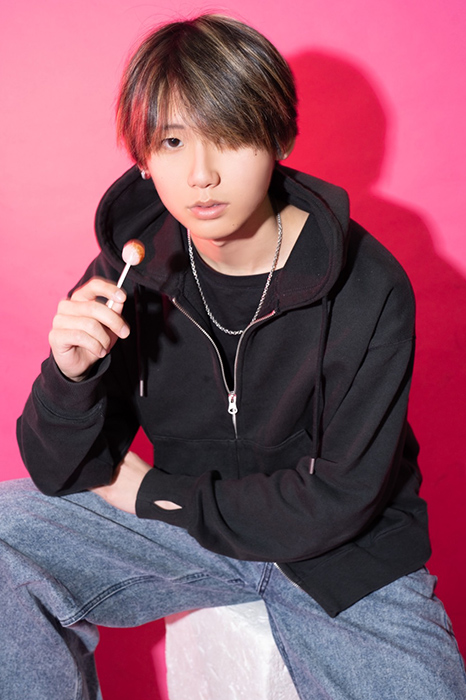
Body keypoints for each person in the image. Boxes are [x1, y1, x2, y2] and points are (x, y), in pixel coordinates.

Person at [1, 13, 465, 700]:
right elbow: (58, 469)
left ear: (278, 139)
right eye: (173, 141)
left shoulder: (368, 283)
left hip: (344, 556)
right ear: (143, 157)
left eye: (230, 136)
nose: (202, 175)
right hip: (193, 532)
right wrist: (71, 376)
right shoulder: (134, 266)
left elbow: (341, 499)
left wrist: (153, 492)